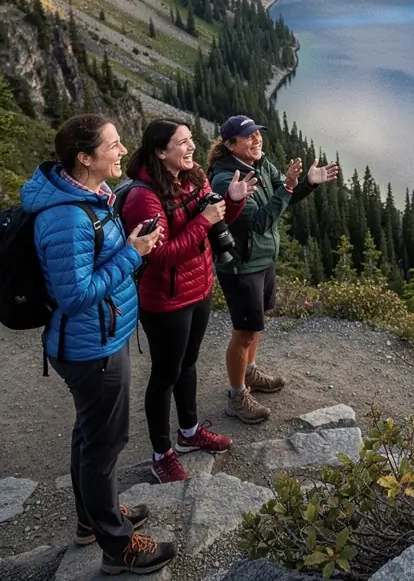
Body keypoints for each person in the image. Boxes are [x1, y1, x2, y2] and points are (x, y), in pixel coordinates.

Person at [22, 114, 175, 575]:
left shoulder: (86, 196)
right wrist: (134, 254)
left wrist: (128, 244)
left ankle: (92, 518)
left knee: (91, 436)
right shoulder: (68, 216)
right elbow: (74, 295)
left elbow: (90, 264)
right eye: (112, 145)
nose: (122, 149)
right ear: (84, 158)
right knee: (105, 443)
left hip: (98, 339)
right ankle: (117, 547)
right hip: (92, 348)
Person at [120, 119, 258, 483]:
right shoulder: (143, 197)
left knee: (189, 363)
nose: (191, 147)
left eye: (191, 139)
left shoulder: (194, 174)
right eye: (183, 142)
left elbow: (217, 222)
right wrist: (204, 220)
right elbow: (159, 256)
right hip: (165, 299)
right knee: (165, 373)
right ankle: (161, 453)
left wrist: (233, 201)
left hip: (198, 289)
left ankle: (189, 431)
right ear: (161, 152)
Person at [207, 115, 340, 422]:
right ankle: (236, 396)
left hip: (262, 259)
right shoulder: (227, 180)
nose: (256, 139)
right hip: (242, 266)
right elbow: (260, 221)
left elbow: (284, 196)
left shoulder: (261, 164)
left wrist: (305, 183)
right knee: (243, 332)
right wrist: (290, 188)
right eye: (248, 137)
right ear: (230, 145)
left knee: (256, 324)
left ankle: (250, 374)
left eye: (257, 133)